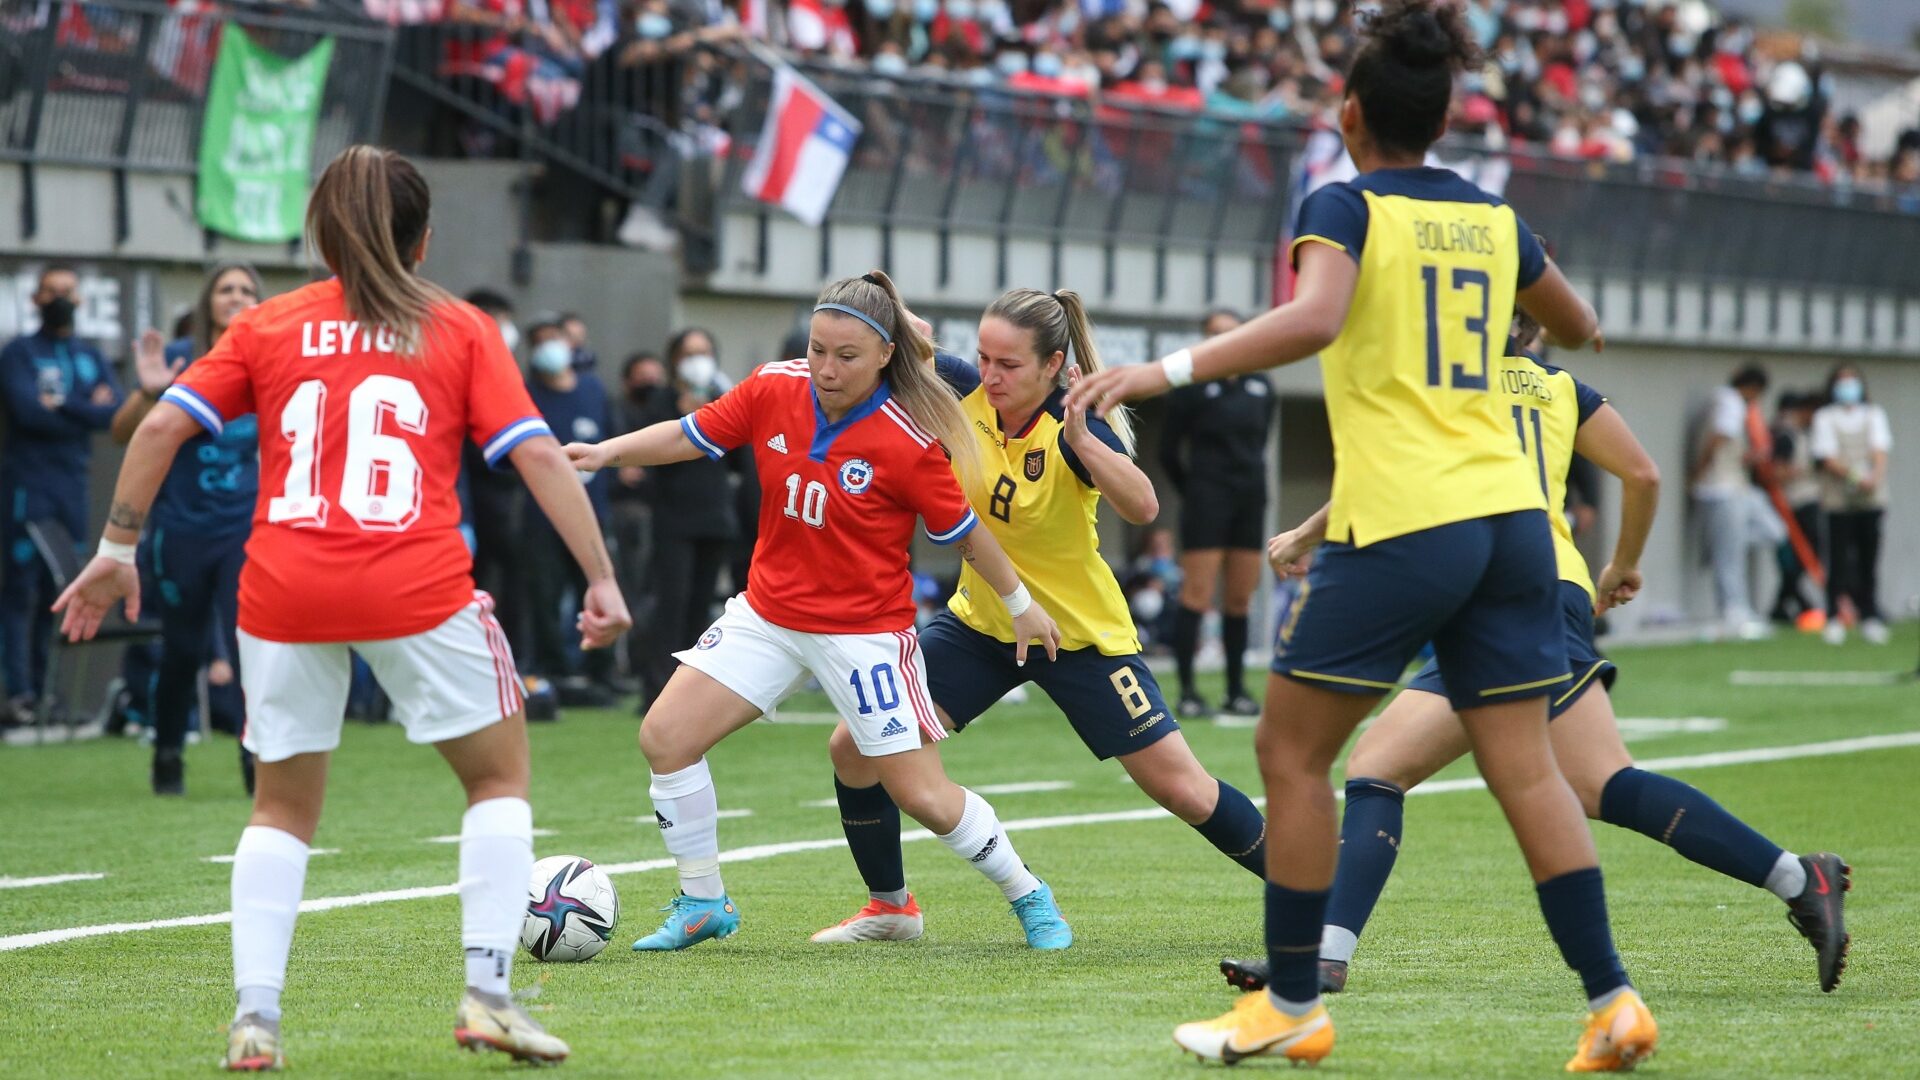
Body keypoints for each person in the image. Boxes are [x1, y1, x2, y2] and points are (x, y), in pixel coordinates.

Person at [1068, 3, 1656, 1069]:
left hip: (1411, 517)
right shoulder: (1491, 215)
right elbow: (1579, 328)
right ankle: (1613, 1000)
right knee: (1528, 772)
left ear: (1348, 111)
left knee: (1289, 753)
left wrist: (1162, 371)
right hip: (1518, 523)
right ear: (1441, 114)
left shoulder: (1342, 202)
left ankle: (1293, 1000)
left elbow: (1316, 317)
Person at [52, 146, 630, 1070]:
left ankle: (255, 1021)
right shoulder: (461, 326)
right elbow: (537, 454)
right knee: (496, 781)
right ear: (425, 237)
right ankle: (487, 997)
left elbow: (160, 421)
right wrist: (600, 579)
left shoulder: (267, 325)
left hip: (281, 588)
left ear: (319, 233)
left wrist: (115, 550)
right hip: (415, 581)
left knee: (280, 810)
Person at [1219, 307, 1850, 999]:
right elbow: (1642, 475)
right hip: (1528, 590)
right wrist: (1621, 565)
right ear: (1530, 330)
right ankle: (1323, 956)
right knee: (1378, 766)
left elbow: (1380, 476)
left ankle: (1794, 882)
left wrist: (1305, 537)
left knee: (1600, 782)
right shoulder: (1559, 388)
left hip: (1501, 590)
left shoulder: (1443, 386)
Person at [565, 270, 1075, 954]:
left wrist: (1020, 605)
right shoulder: (775, 386)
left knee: (923, 795)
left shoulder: (909, 438)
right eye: (817, 350)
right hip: (768, 616)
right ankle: (703, 902)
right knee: (665, 737)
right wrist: (608, 452)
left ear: (887, 354)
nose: (826, 370)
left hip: (865, 635)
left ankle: (1029, 895)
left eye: (846, 356)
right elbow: (693, 434)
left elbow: (966, 536)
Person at [812, 288, 1269, 945]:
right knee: (853, 748)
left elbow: (1142, 505)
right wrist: (898, 318)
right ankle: (891, 909)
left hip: (1080, 637)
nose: (990, 376)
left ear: (1054, 365)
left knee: (1186, 792)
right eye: (984, 359)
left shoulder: (1076, 422)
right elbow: (890, 333)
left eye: (1009, 366)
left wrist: (1084, 439)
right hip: (981, 624)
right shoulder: (961, 391)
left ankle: (1312, 892)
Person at [109, 262, 262, 796]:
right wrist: (152, 391)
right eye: (226, 289)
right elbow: (121, 432)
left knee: (252, 650)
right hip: (180, 532)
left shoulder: (273, 363)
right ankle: (168, 755)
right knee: (183, 649)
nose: (236, 297)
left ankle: (254, 761)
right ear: (207, 302)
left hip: (245, 532)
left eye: (246, 289)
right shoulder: (179, 359)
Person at [0, 264, 123, 719]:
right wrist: (80, 408)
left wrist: (64, 405)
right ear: (36, 299)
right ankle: (20, 694)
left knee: (63, 588)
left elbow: (113, 412)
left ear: (81, 300)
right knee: (22, 589)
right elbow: (30, 412)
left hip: (71, 484)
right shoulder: (19, 353)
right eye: (51, 292)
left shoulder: (89, 356)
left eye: (67, 292)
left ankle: (48, 692)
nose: (60, 299)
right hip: (27, 486)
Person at [1159, 307, 1274, 718]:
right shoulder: (1190, 387)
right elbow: (1167, 451)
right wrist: (1196, 491)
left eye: (1230, 333)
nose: (1222, 340)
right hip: (1207, 500)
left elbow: (1260, 444)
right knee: (1198, 594)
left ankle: (1236, 689)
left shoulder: (1261, 385)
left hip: (1251, 499)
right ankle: (1188, 692)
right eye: (1214, 334)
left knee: (1240, 598)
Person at [630, 327, 741, 704]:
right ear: (675, 359)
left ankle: (691, 693)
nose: (698, 360)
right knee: (670, 605)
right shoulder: (660, 403)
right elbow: (649, 461)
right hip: (674, 520)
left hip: (714, 518)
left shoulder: (722, 400)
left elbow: (741, 458)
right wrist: (680, 419)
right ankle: (656, 686)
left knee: (701, 608)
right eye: (690, 352)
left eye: (705, 351)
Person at [522, 320, 618, 697]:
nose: (550, 348)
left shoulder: (593, 389)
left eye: (554, 340)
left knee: (599, 589)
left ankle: (602, 670)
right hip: (541, 516)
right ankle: (553, 671)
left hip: (593, 513)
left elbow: (613, 442)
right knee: (545, 596)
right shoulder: (527, 395)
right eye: (540, 342)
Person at [1810, 364, 1893, 645]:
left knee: (1869, 556)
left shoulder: (1873, 414)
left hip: (1870, 497)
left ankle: (1869, 614)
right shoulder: (1825, 417)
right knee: (1837, 557)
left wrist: (1874, 478)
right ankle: (1833, 616)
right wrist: (1857, 476)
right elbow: (1827, 456)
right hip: (1838, 498)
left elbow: (1880, 451)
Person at [1690, 363, 1772, 640]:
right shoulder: (1731, 401)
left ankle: (1738, 611)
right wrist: (1699, 470)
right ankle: (1734, 613)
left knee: (1762, 535)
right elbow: (1719, 437)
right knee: (1729, 556)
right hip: (1721, 489)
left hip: (1731, 487)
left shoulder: (1722, 399)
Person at [1767, 391, 1824, 628]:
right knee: (1798, 557)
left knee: (1805, 558)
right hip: (1796, 504)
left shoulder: (1804, 434)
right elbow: (1777, 473)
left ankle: (1783, 605)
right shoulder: (1787, 436)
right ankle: (1796, 603)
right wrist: (1805, 470)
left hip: (1808, 501)